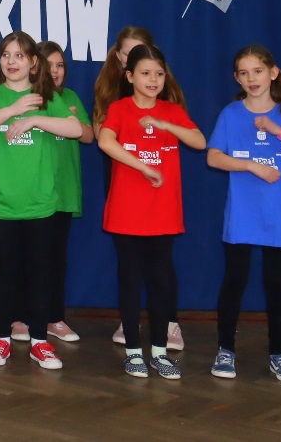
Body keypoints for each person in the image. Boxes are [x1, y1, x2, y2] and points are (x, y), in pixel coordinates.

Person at [0, 31, 83, 370]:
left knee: (39, 273)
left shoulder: (46, 97)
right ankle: (1, 339)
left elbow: (76, 129)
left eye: (19, 55)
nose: (11, 61)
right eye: (6, 54)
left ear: (33, 62)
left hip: (40, 203)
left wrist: (33, 118)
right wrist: (14, 110)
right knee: (2, 272)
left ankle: (39, 341)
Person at [207, 45, 281, 382]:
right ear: (236, 78)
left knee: (276, 283)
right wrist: (252, 166)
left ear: (273, 72)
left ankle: (279, 355)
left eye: (257, 71)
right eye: (244, 73)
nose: (251, 78)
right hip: (243, 213)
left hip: (280, 214)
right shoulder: (230, 114)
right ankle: (225, 351)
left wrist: (278, 131)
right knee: (235, 280)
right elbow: (214, 157)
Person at [98, 44, 205, 380]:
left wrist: (164, 124)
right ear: (130, 76)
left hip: (163, 213)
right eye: (145, 73)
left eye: (159, 73)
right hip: (127, 213)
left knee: (160, 283)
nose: (153, 79)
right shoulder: (119, 108)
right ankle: (133, 352)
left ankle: (159, 351)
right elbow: (105, 141)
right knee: (130, 282)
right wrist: (143, 167)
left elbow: (199, 141)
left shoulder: (172, 111)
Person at [33, 41, 93, 343]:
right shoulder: (27, 98)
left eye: (60, 65)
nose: (55, 71)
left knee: (56, 259)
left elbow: (88, 136)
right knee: (30, 258)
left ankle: (55, 318)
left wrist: (72, 121)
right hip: (33, 192)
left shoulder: (70, 97)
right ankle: (23, 317)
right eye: (49, 65)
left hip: (64, 191)